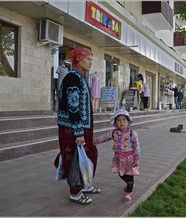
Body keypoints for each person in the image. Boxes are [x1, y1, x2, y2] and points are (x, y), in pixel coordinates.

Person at [55, 47, 100, 205]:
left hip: (82, 127)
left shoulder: (80, 77)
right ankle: (75, 192)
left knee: (89, 155)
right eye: (88, 59)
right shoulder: (72, 78)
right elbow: (74, 107)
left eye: (91, 60)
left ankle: (86, 184)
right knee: (74, 159)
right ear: (78, 60)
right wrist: (78, 132)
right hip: (73, 128)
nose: (90, 62)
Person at [93, 109, 140, 204]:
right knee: (121, 174)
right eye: (118, 120)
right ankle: (129, 184)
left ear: (128, 122)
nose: (121, 122)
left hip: (130, 159)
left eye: (124, 120)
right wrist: (95, 142)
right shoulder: (113, 133)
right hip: (119, 158)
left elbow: (137, 147)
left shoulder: (132, 134)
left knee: (130, 178)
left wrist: (136, 159)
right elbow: (104, 137)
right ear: (115, 123)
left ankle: (128, 193)